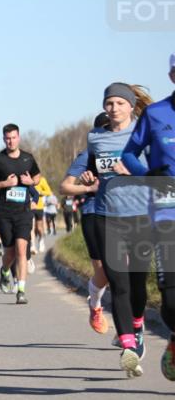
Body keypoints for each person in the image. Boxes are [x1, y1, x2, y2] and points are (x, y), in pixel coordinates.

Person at [78, 82, 153, 377]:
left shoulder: (144, 134)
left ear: (131, 106)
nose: (113, 108)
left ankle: (137, 326)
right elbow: (97, 168)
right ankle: (128, 349)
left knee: (137, 285)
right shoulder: (95, 137)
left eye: (119, 103)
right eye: (109, 103)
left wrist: (133, 170)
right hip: (109, 216)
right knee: (118, 283)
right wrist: (89, 176)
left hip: (141, 216)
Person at [121, 53, 175, 380]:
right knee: (170, 300)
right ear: (172, 75)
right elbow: (129, 152)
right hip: (166, 213)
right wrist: (148, 173)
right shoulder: (155, 114)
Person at [0, 124, 41, 304]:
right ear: (4, 139)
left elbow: (38, 176)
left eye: (14, 137)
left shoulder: (27, 158)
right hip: (4, 213)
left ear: (19, 138)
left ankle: (21, 290)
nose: (11, 141)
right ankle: (5, 271)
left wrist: (31, 181)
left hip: (24, 212)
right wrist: (3, 184)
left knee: (21, 249)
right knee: (9, 253)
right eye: (7, 138)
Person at [60, 147, 110, 335]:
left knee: (125, 274)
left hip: (123, 214)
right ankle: (95, 305)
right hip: (94, 213)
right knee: (104, 273)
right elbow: (64, 187)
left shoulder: (130, 148)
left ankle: (129, 331)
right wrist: (89, 187)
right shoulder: (88, 155)